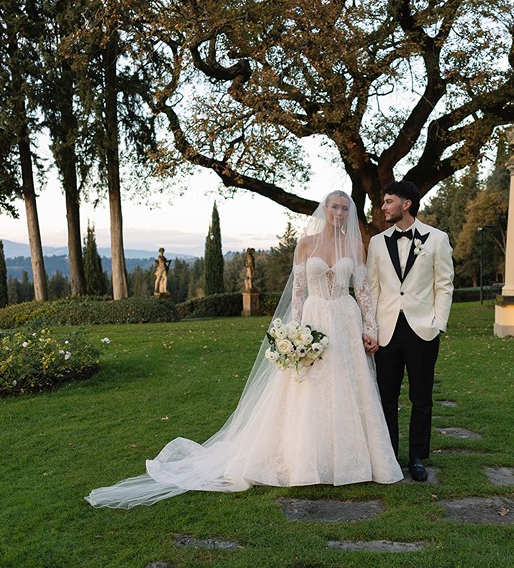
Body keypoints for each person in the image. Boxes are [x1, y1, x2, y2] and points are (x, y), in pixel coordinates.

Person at [86, 190, 402, 509]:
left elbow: (362, 290)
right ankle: (308, 460)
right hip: (315, 319)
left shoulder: (354, 245)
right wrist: (294, 333)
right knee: (311, 388)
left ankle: (353, 461)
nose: (339, 212)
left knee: (348, 387)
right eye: (334, 207)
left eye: (344, 209)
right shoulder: (307, 244)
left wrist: (370, 329)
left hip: (346, 321)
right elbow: (298, 293)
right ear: (325, 209)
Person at [365, 180, 454, 482]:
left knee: (422, 397)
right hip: (386, 331)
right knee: (386, 398)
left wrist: (437, 323)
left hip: (422, 330)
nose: (383, 207)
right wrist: (371, 329)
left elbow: (444, 285)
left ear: (406, 204)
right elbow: (372, 288)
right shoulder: (377, 242)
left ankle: (417, 457)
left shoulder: (437, 239)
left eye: (389, 201)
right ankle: (389, 455)